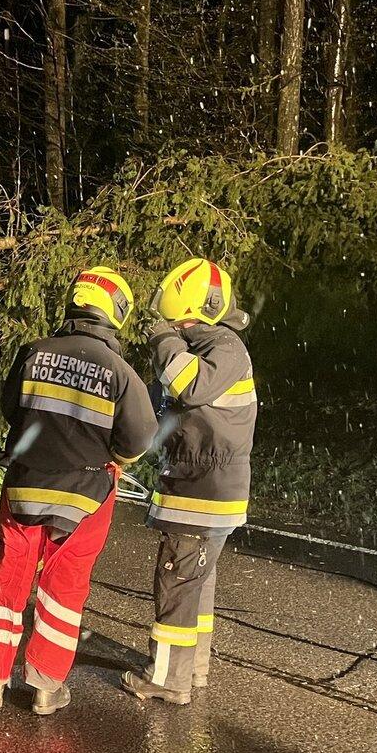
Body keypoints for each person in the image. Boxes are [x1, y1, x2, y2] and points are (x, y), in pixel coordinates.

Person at [0, 267, 159, 715]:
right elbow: (138, 440)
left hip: (25, 484)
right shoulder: (120, 372)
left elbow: (10, 410)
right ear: (116, 313)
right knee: (64, 587)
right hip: (86, 494)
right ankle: (44, 687)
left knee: (10, 578)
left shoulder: (33, 352)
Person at [121, 258, 258, 706]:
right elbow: (172, 415)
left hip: (203, 490)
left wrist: (162, 340)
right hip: (202, 485)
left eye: (176, 320)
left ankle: (167, 679)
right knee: (194, 583)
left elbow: (191, 387)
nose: (170, 326)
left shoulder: (224, 348)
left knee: (176, 581)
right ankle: (192, 670)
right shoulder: (209, 345)